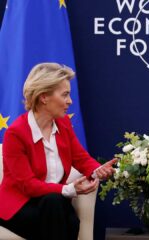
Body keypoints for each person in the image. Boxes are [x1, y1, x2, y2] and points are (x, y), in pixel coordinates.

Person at [0, 63, 117, 240]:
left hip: (53, 203)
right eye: (65, 95)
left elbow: (80, 158)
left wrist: (96, 170)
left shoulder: (64, 124)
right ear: (44, 97)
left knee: (65, 216)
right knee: (58, 209)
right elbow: (27, 185)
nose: (70, 101)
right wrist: (69, 189)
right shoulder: (16, 133)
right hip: (20, 205)